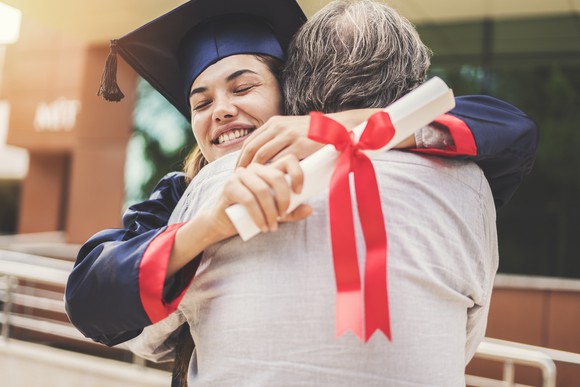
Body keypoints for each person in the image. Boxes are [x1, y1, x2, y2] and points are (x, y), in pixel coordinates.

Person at [65, 0, 538, 384]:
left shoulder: (359, 155)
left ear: (292, 96)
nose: (223, 110)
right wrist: (207, 227)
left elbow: (505, 125)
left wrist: (340, 129)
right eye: (202, 102)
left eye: (243, 87)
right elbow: (91, 292)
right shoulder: (184, 193)